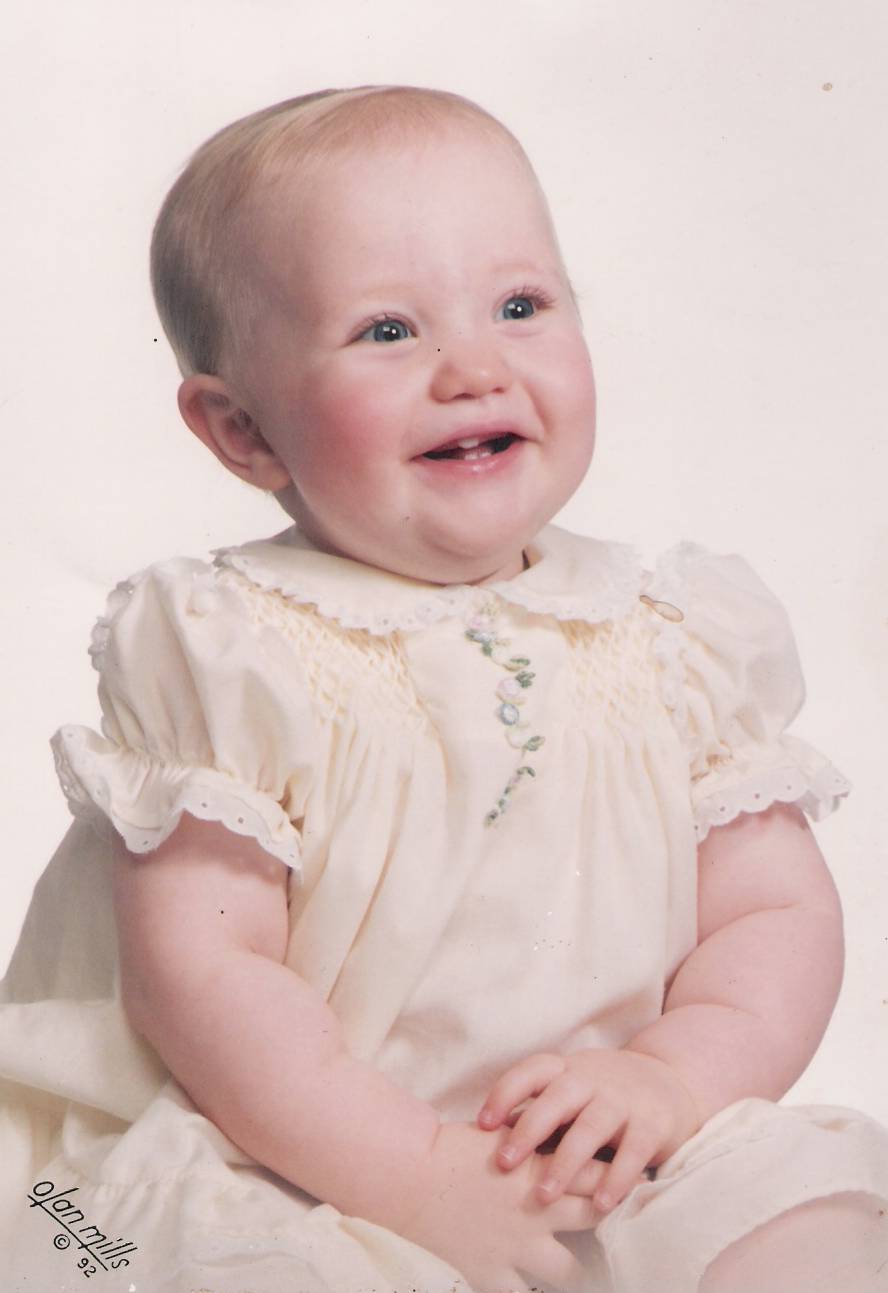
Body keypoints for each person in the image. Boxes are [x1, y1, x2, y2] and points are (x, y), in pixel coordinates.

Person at [1, 84, 886, 1293]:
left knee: (810, 1229)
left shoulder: (676, 641)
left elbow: (771, 915)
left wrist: (676, 1077)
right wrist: (413, 1177)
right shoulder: (234, 651)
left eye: (520, 306)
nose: (474, 367)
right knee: (226, 1266)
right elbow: (201, 978)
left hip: (604, 1137)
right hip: (285, 1148)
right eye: (386, 331)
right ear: (243, 430)